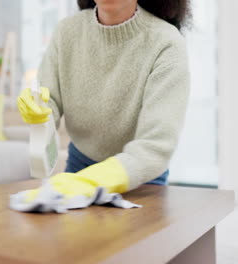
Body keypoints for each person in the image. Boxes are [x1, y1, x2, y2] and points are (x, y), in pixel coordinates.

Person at [17, 0, 191, 202]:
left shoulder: (167, 43)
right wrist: (40, 111)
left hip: (139, 178)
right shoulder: (67, 32)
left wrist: (91, 182)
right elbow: (50, 100)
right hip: (79, 167)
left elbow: (155, 147)